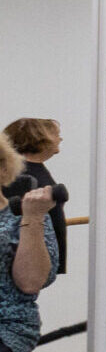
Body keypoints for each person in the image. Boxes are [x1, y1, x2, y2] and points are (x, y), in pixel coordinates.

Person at [0, 132, 59, 352]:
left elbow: (30, 282)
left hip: (6, 325)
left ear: (3, 168)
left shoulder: (24, 217)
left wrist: (33, 218)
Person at [3, 118, 68, 276]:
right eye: (56, 135)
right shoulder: (20, 175)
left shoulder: (35, 169)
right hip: (23, 265)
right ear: (39, 138)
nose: (60, 139)